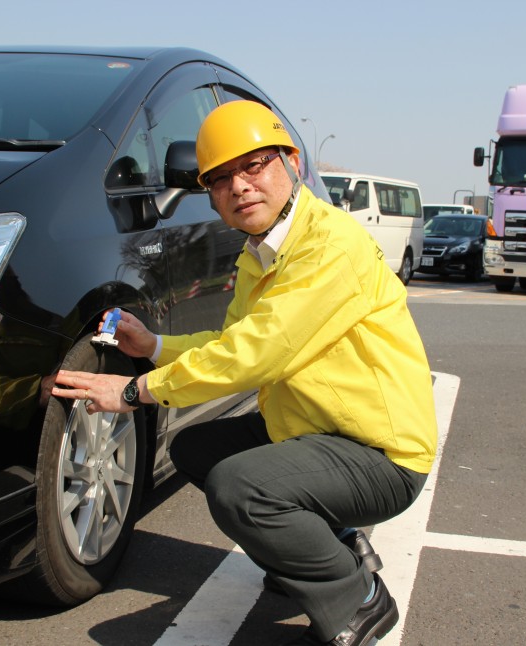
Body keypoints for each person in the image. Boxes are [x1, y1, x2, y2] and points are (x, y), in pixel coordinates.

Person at [53, 100, 436, 645]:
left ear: (292, 163)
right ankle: (332, 545)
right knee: (198, 449)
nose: (240, 186)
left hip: (378, 450)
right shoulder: (259, 253)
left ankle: (358, 599)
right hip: (315, 427)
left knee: (241, 488)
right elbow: (230, 342)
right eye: (221, 178)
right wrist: (154, 344)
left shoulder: (330, 244)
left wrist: (135, 391)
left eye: (254, 166)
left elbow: (258, 353)